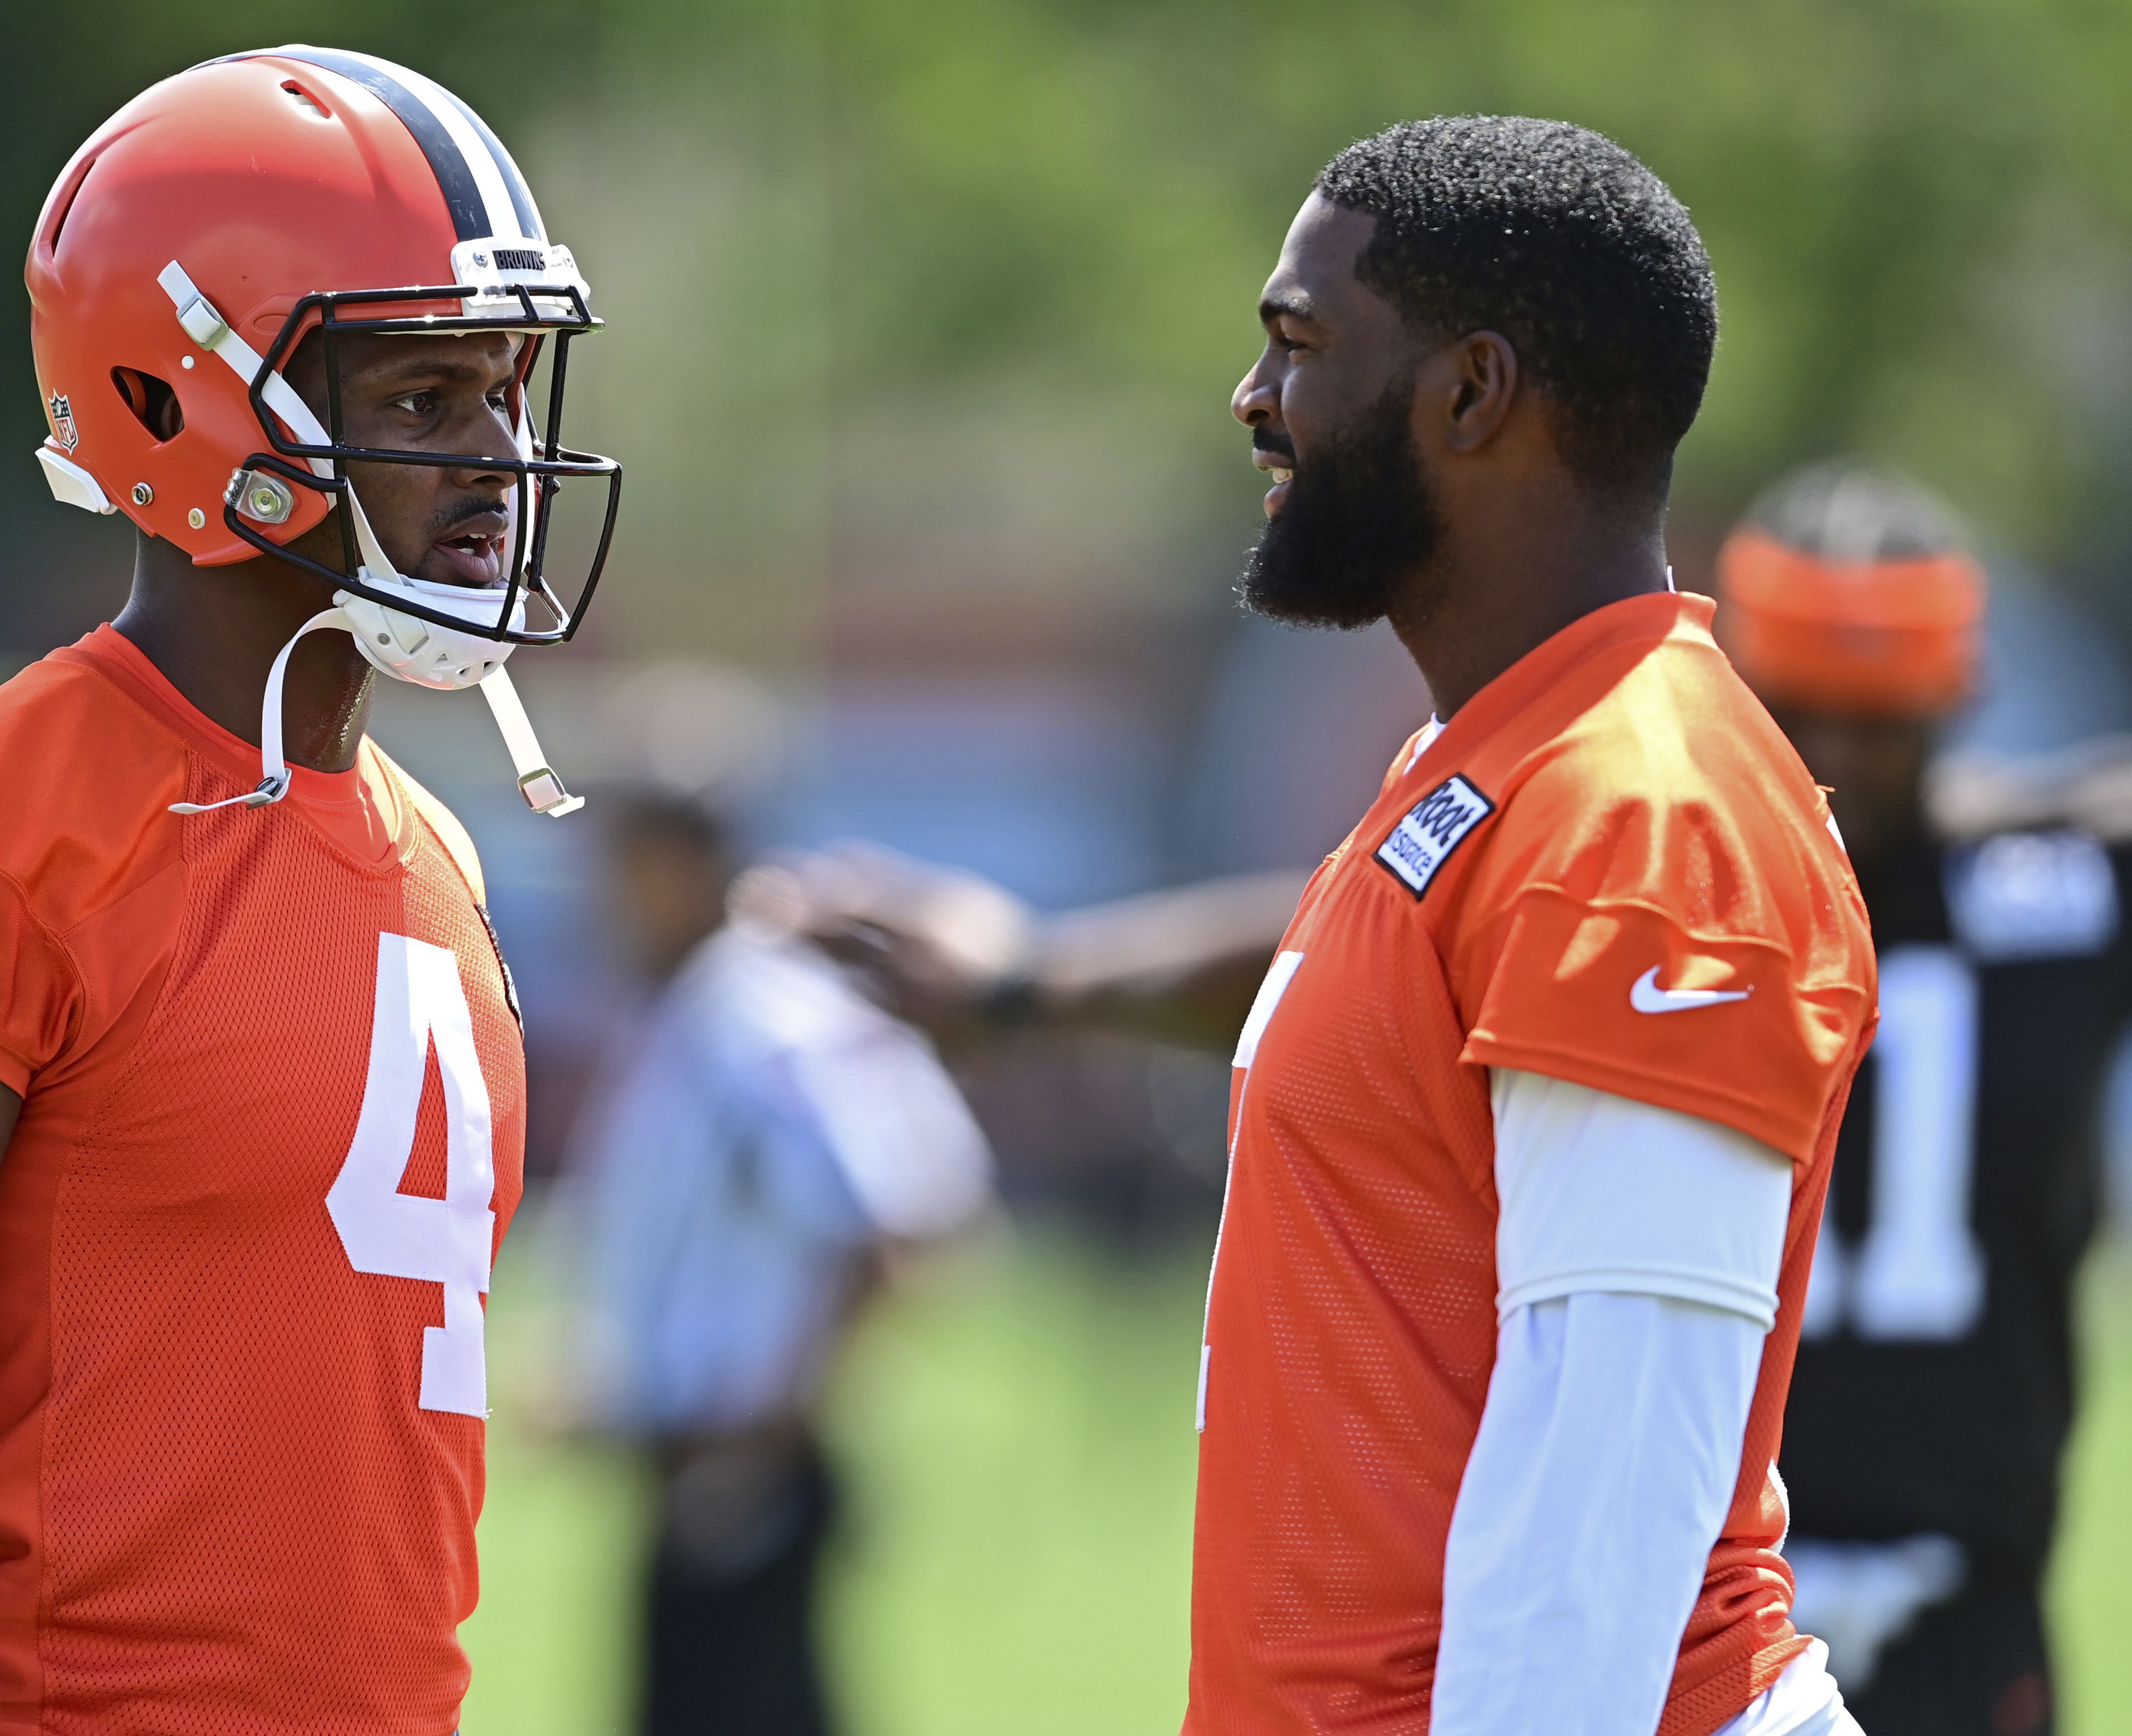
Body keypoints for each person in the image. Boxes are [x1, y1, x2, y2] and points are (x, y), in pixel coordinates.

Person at [793, 118, 1882, 1734]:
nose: (1251, 400)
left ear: (1467, 393)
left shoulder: (1640, 817)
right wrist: (1032, 979)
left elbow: (1604, 1497)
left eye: (1295, 344)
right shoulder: (1489, 763)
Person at [0, 48, 619, 1735]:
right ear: (176, 401)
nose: (497, 458)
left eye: (504, 388)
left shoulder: (434, 845)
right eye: (421, 399)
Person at [1720, 463, 2124, 1736]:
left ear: (1957, 699)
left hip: (1967, 1615)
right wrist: (1072, 979)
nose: (1838, 752)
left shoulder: (2064, 880)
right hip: (1708, 1621)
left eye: (1879, 714)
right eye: (1804, 708)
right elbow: (1367, 940)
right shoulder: (1654, 888)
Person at [564, 794, 992, 1736]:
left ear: (683, 861)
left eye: (627, 867)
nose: (607, 899)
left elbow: (891, 1223)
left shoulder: (752, 1014)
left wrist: (766, 1435)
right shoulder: (695, 1003)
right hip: (696, 1456)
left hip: (742, 1466)